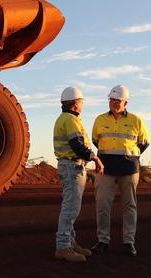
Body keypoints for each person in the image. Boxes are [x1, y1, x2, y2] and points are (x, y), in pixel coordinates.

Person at [90, 85, 150, 257]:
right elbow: (96, 140)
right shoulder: (100, 120)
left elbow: (144, 143)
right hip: (105, 169)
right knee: (102, 204)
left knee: (129, 206)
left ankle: (129, 242)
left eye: (117, 100)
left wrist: (128, 156)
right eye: (111, 100)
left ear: (126, 102)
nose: (114, 103)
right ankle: (103, 241)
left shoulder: (136, 120)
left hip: (129, 169)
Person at [54, 86, 104, 262]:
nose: (82, 105)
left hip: (69, 167)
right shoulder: (70, 120)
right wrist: (95, 158)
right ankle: (63, 247)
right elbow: (77, 145)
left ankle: (70, 241)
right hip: (72, 167)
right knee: (70, 209)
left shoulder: (64, 118)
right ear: (75, 104)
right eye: (81, 102)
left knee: (71, 207)